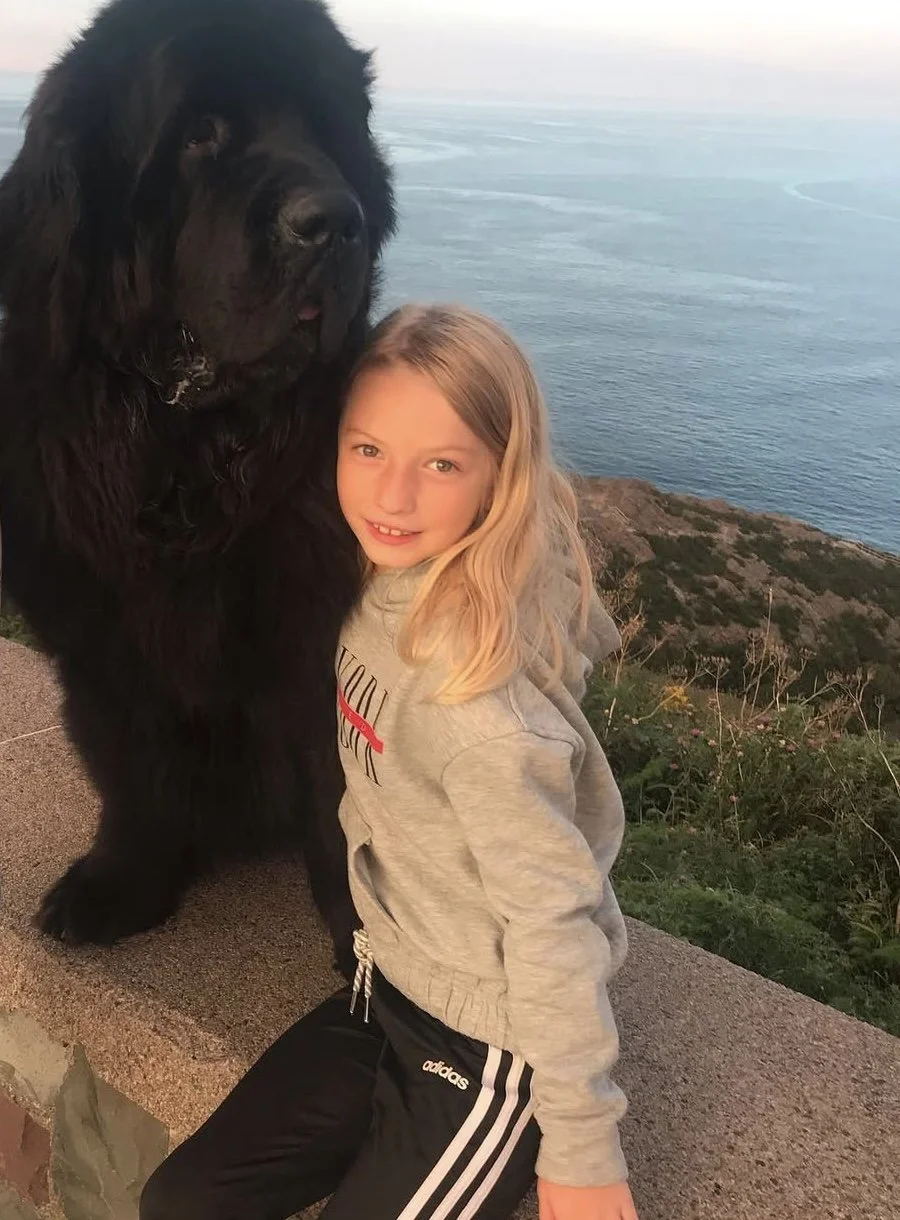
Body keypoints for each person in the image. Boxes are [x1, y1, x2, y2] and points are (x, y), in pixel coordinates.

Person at [140, 304, 639, 1220]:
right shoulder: (376, 581)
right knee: (183, 1202)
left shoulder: (480, 716)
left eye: (441, 465)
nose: (393, 496)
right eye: (367, 449)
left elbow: (552, 921)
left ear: (499, 479)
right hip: (384, 990)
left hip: (486, 1050)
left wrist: (584, 1150)